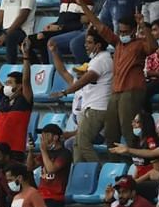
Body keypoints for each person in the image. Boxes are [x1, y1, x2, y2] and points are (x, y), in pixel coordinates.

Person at [77, 0, 156, 151]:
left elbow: (152, 47)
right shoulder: (118, 43)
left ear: (134, 30)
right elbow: (98, 25)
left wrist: (143, 25)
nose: (122, 34)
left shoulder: (140, 44)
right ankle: (114, 164)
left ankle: (134, 163)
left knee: (129, 130)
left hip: (132, 90)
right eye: (120, 31)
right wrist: (83, 6)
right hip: (116, 91)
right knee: (110, 131)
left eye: (125, 31)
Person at [47, 33, 111, 163]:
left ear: (98, 45)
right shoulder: (81, 81)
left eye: (89, 42)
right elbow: (63, 71)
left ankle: (96, 171)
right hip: (89, 113)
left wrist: (65, 92)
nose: (85, 45)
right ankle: (78, 170)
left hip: (98, 111)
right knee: (76, 144)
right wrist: (54, 53)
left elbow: (87, 78)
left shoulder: (101, 61)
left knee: (82, 142)